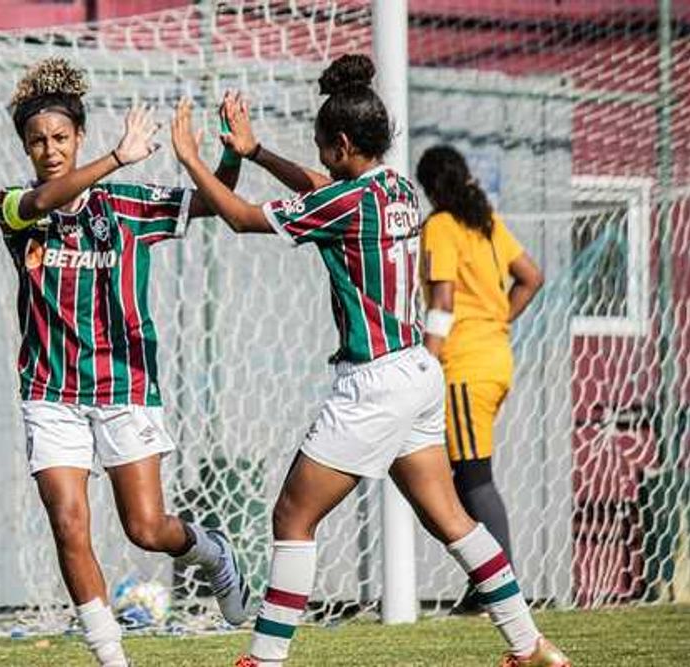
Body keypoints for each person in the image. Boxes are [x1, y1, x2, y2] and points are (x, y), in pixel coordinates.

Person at [169, 54, 570, 667]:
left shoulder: (350, 201)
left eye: (322, 147)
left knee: (293, 515)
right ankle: (529, 644)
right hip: (419, 372)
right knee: (451, 518)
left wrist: (193, 159)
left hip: (375, 382)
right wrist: (256, 153)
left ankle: (265, 659)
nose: (320, 157)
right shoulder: (397, 188)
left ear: (342, 143)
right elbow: (319, 186)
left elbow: (245, 218)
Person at [0, 58, 249, 667]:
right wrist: (113, 157)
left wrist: (226, 155)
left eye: (60, 138)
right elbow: (46, 198)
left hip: (125, 387)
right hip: (50, 393)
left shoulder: (127, 207)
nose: (50, 150)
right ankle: (112, 658)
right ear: (26, 148)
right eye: (37, 142)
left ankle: (211, 552)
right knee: (69, 523)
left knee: (146, 528)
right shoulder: (13, 207)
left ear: (77, 136)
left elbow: (216, 202)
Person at [416, 144, 545, 615]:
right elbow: (532, 276)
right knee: (465, 474)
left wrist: (426, 365)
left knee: (473, 478)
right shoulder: (484, 223)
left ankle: (498, 587)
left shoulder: (441, 226)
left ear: (429, 187)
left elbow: (443, 302)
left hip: (465, 366)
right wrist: (499, 322)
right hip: (494, 358)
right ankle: (487, 582)